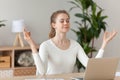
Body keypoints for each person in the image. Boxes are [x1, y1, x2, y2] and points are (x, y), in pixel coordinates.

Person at [23, 10, 117, 75]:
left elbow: (92, 66)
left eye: (67, 20)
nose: (66, 23)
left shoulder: (75, 45)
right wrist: (31, 44)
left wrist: (104, 44)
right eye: (62, 21)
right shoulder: (46, 45)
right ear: (53, 25)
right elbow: (42, 71)